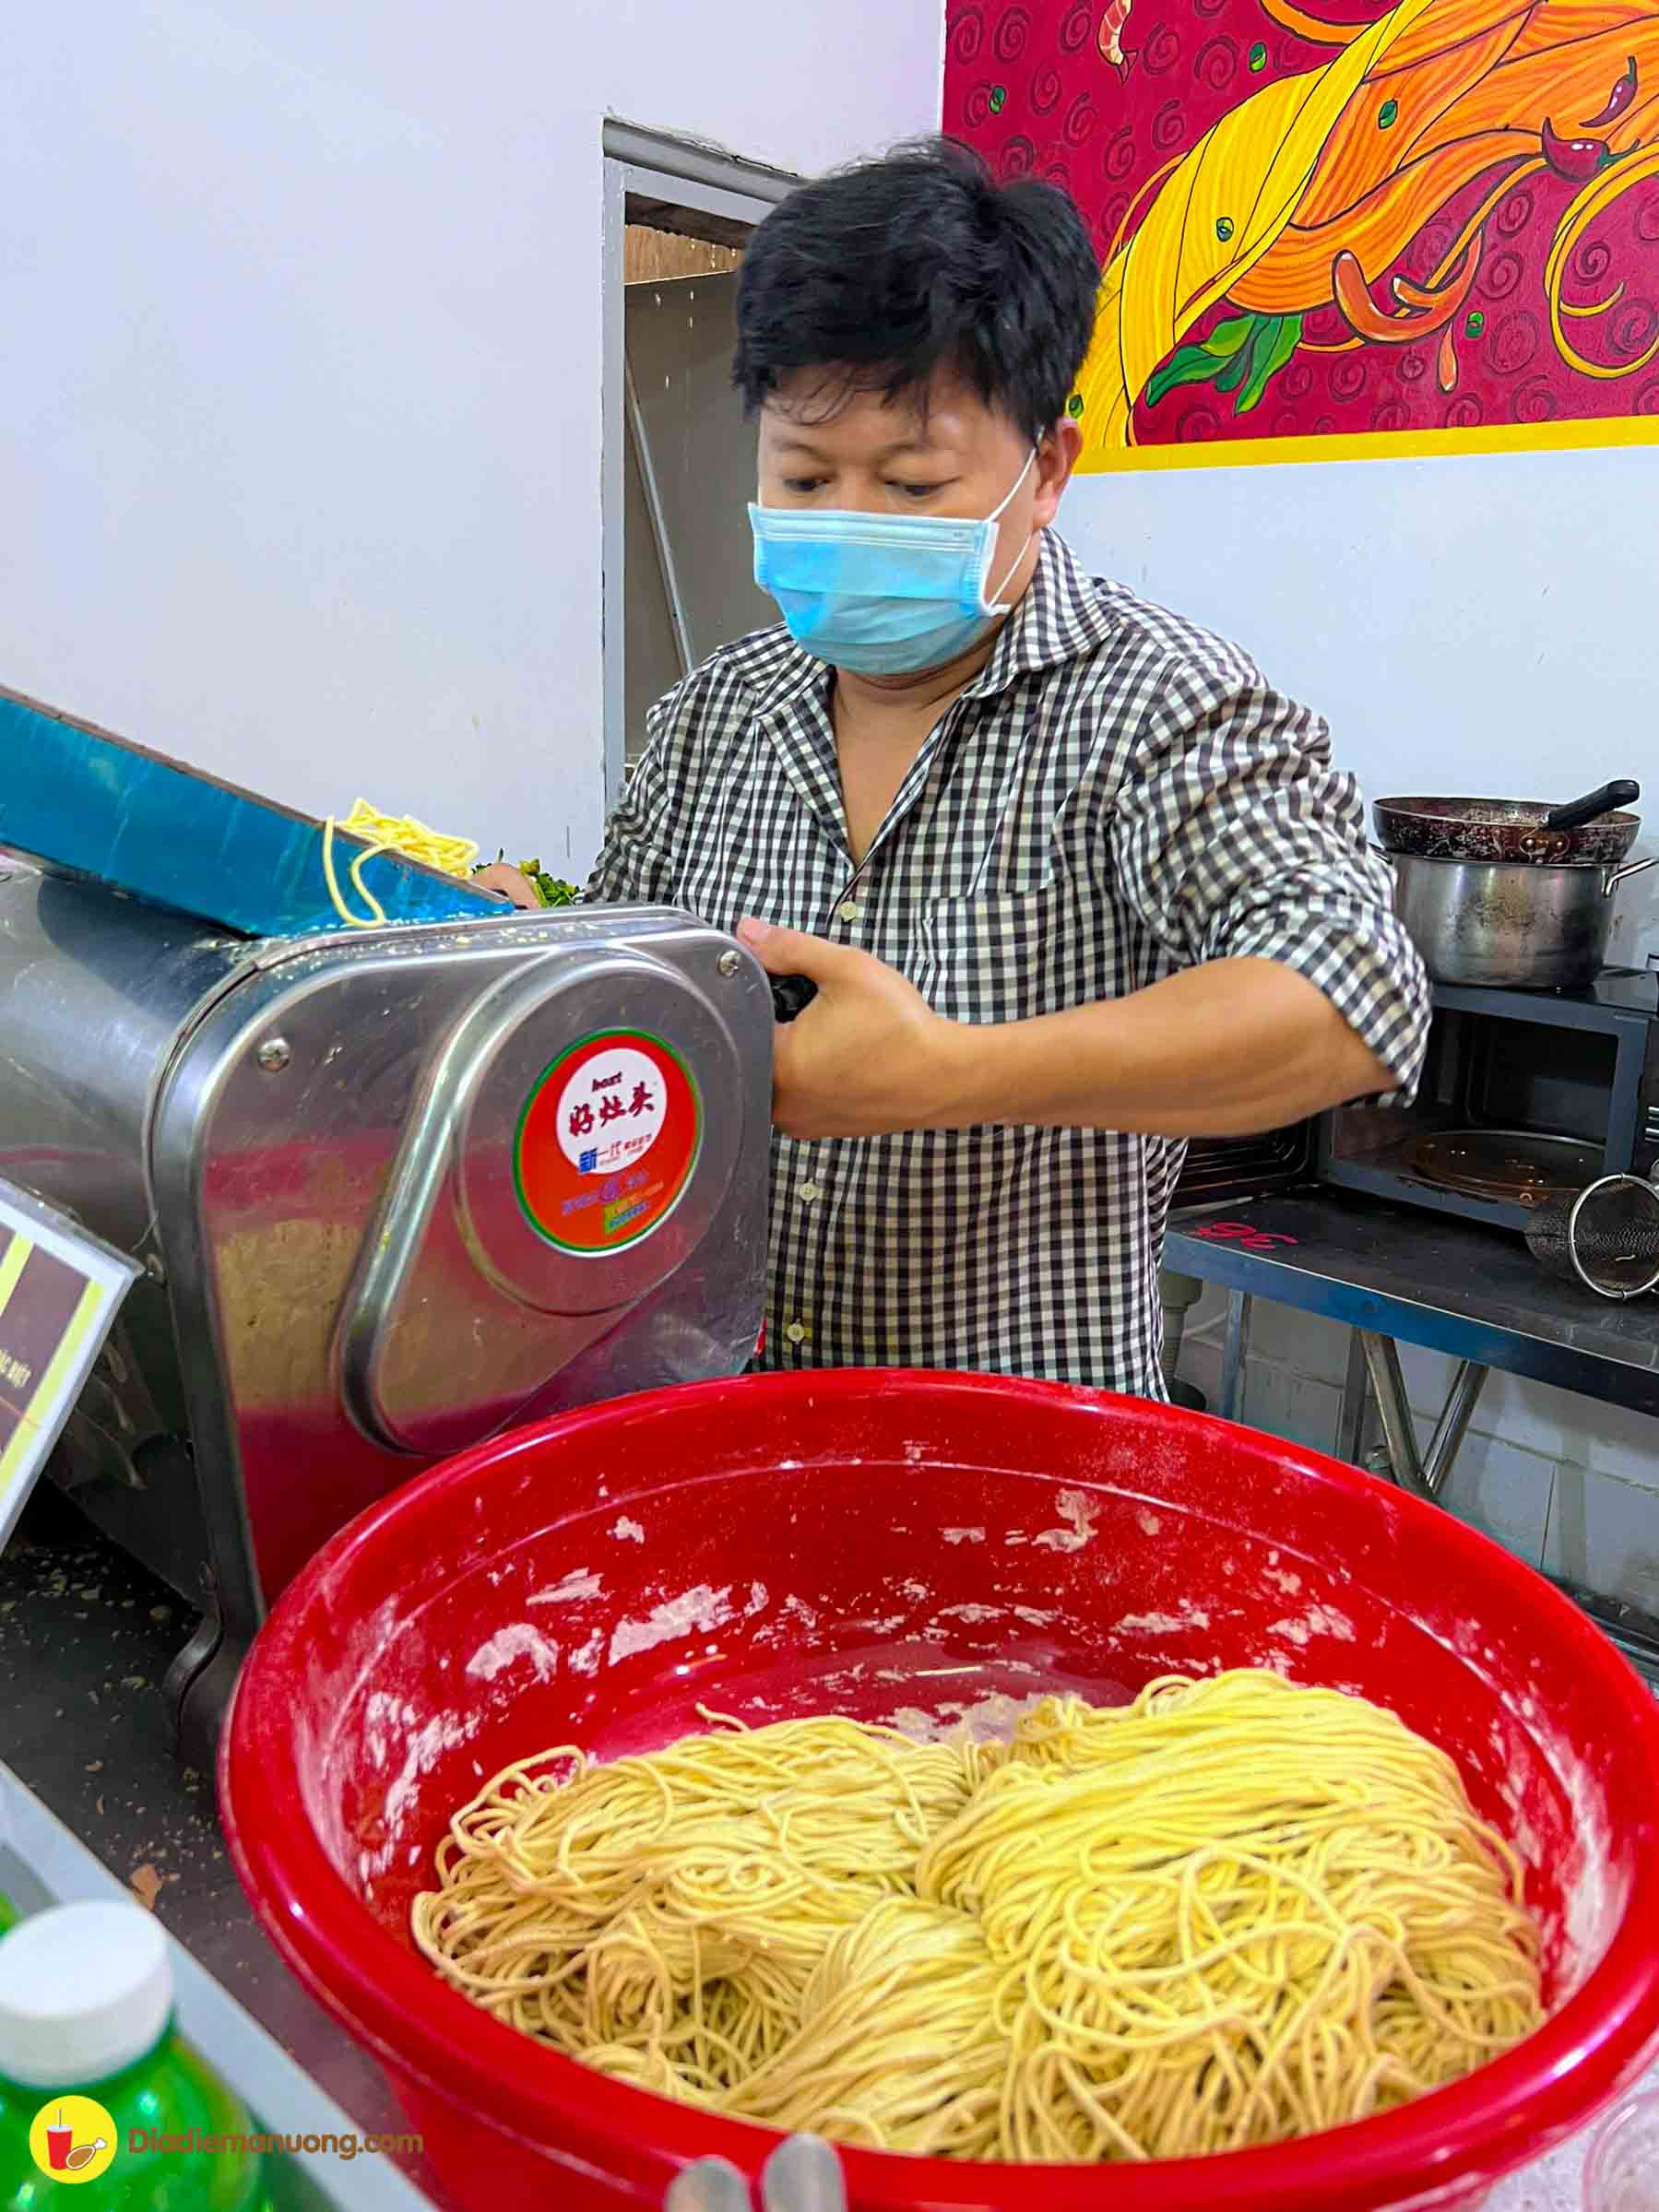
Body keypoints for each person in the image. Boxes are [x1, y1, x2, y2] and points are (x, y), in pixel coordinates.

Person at [483, 137, 1428, 1398]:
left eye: (912, 483)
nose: (844, 522)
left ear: (1046, 470)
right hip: (708, 1404)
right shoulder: (716, 710)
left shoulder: (1162, 704)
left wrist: (953, 1075)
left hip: (1013, 1452)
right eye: (804, 477)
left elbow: (1355, 997)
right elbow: (633, 988)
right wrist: (516, 950)